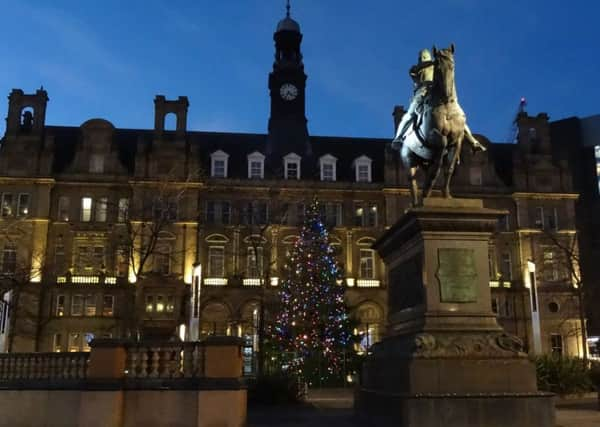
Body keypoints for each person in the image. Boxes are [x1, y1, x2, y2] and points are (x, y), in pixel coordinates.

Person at [393, 49, 486, 152]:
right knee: (411, 115)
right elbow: (416, 72)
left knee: (456, 116)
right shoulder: (420, 68)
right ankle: (473, 141)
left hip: (428, 93)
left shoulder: (424, 67)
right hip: (426, 94)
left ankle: (399, 137)